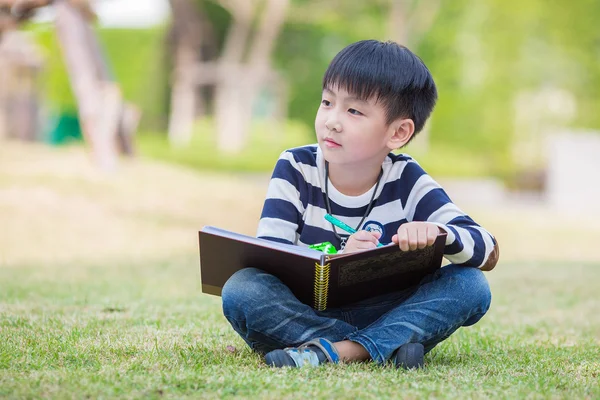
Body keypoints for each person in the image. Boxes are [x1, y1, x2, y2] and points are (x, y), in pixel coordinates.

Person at [221, 39, 499, 369]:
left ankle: (332, 352)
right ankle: (384, 345)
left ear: (397, 133)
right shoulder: (296, 166)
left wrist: (440, 232)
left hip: (385, 307)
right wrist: (339, 260)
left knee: (470, 285)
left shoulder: (406, 178)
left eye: (354, 111)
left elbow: (488, 250)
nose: (332, 120)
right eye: (327, 102)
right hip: (308, 309)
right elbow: (272, 256)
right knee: (243, 289)